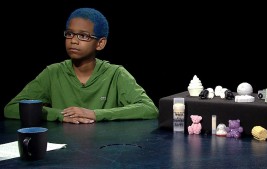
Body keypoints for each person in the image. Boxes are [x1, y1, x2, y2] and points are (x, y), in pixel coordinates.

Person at [4, 8, 158, 124]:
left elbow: (149, 109)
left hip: (106, 148)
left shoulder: (116, 74)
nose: (74, 41)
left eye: (83, 36)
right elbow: (11, 108)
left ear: (100, 43)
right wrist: (59, 115)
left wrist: (94, 114)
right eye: (70, 34)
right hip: (61, 148)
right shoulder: (53, 73)